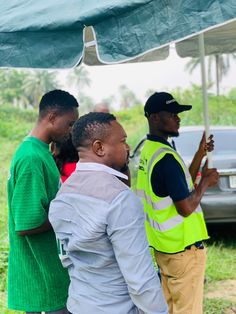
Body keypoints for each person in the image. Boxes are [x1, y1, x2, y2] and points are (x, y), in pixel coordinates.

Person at [49, 112, 168, 314]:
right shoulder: (120, 199)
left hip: (79, 305)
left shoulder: (62, 195)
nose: (127, 147)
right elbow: (140, 278)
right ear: (99, 147)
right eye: (122, 141)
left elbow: (67, 258)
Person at [136, 92, 219, 314]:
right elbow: (185, 208)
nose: (178, 118)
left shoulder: (151, 150)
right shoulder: (166, 158)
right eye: (172, 114)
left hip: (166, 249)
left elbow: (181, 185)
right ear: (154, 118)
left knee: (172, 309)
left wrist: (200, 154)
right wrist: (205, 184)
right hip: (184, 251)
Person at [7, 90, 79, 314]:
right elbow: (27, 224)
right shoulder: (31, 157)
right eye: (69, 124)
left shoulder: (41, 151)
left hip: (51, 272)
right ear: (52, 117)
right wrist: (71, 212)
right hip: (42, 280)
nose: (70, 132)